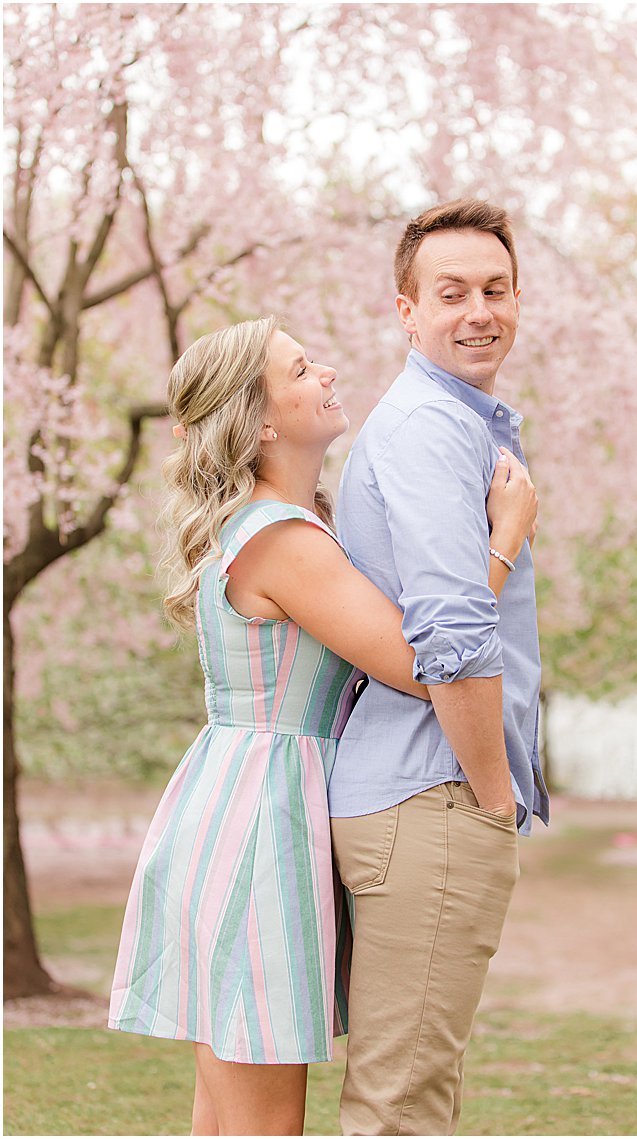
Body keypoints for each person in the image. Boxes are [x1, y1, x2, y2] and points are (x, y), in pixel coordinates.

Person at [108, 317, 536, 1135]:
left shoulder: (284, 530)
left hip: (237, 808)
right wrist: (504, 539)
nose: (328, 372)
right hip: (258, 831)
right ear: (261, 420)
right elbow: (423, 664)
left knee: (229, 1119)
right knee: (263, 1125)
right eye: (301, 368)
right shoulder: (283, 541)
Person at [327, 197, 549, 1135]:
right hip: (435, 790)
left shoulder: (460, 421)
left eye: (494, 289)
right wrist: (494, 791)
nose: (478, 312)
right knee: (400, 1106)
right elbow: (452, 629)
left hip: (419, 791)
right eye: (450, 292)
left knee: (419, 1090)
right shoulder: (430, 426)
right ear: (405, 309)